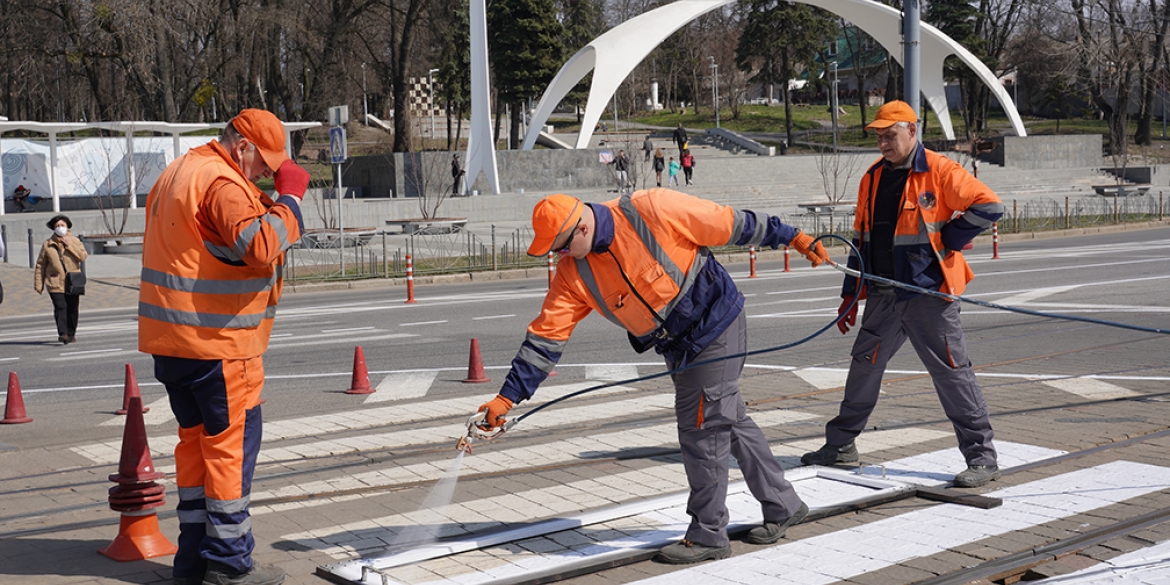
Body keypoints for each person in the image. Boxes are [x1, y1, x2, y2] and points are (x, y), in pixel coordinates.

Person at [476, 192, 831, 564]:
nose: (559, 257)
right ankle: (783, 503)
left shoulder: (649, 208)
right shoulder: (573, 273)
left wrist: (791, 236)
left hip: (716, 324)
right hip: (676, 346)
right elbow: (546, 337)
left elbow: (728, 223)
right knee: (727, 419)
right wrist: (507, 397)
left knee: (701, 428)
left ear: (582, 227)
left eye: (562, 248)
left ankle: (709, 533)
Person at [138, 109, 310, 585]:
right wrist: (290, 197)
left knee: (195, 451)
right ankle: (230, 567)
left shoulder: (179, 171)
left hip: (174, 344)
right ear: (242, 148)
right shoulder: (221, 182)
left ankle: (191, 563)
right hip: (219, 346)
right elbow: (258, 245)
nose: (267, 173)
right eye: (264, 163)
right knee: (229, 457)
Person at [800, 100, 1005, 489]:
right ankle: (841, 445)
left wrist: (950, 239)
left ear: (913, 131)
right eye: (878, 136)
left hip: (927, 294)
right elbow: (861, 239)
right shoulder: (872, 177)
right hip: (883, 293)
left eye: (889, 135)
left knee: (951, 374)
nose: (883, 143)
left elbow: (990, 205)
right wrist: (850, 295)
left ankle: (981, 457)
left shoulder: (941, 170)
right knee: (864, 367)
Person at [35, 214, 88, 344]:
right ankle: (63, 333)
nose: (60, 228)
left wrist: (69, 245)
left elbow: (82, 256)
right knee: (61, 307)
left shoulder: (75, 241)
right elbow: (40, 265)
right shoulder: (48, 244)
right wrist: (38, 284)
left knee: (72, 308)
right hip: (55, 282)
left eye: (62, 225)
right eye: (57, 226)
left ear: (67, 227)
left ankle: (71, 333)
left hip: (73, 282)